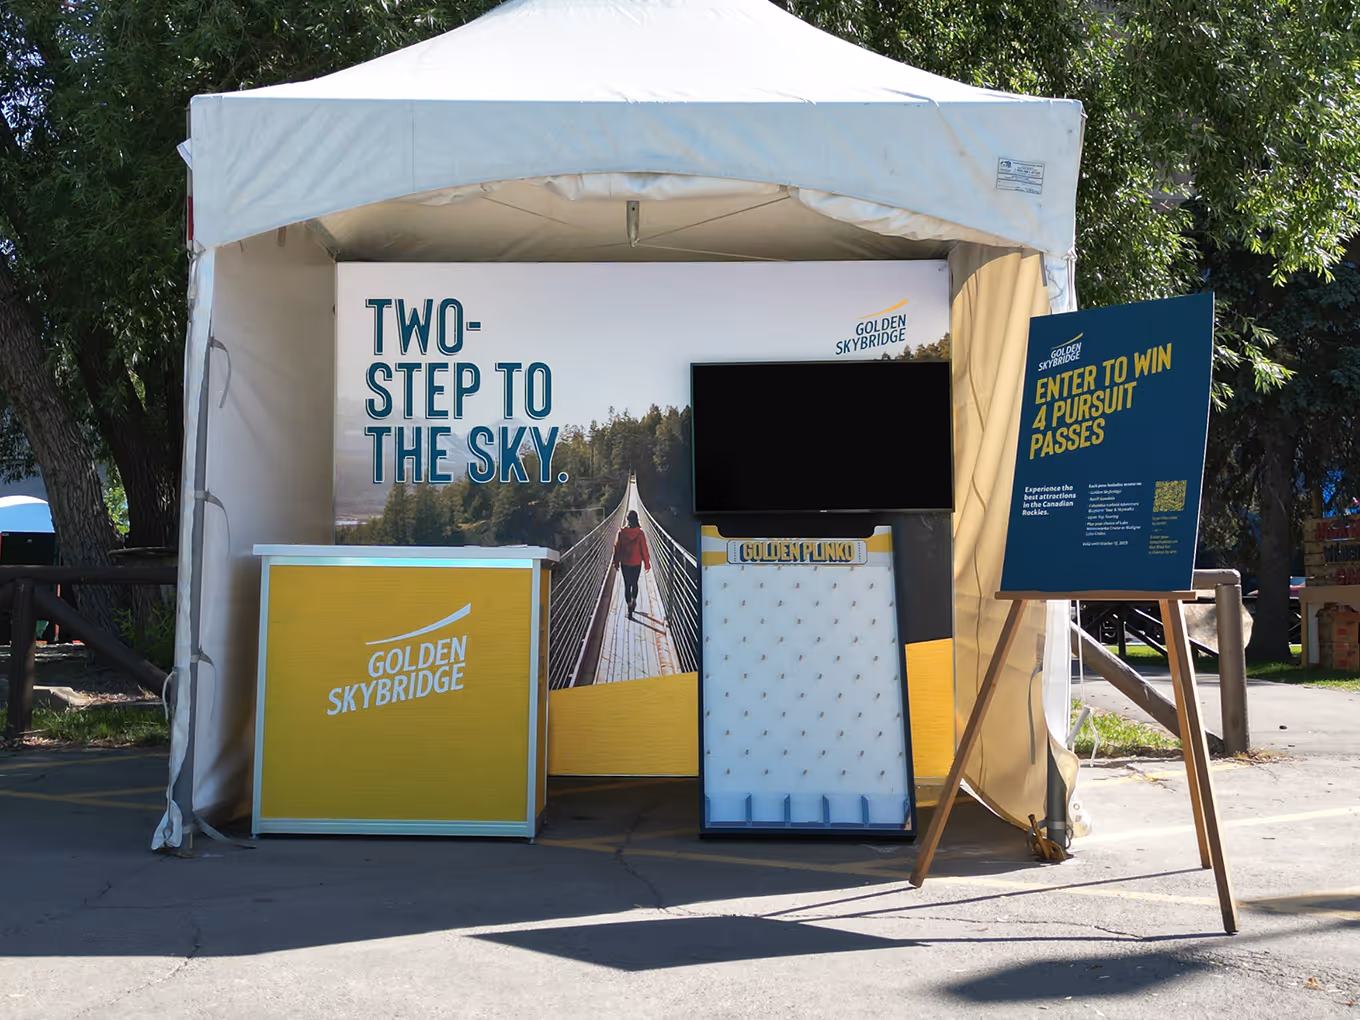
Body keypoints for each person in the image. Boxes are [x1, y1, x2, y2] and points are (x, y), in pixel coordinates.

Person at [613, 509, 651, 619]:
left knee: (627, 585)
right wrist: (647, 563)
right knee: (635, 583)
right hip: (636, 563)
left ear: (627, 519)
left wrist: (616, 562)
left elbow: (617, 548)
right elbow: (644, 549)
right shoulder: (640, 533)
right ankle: (634, 601)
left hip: (625, 563)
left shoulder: (621, 533)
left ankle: (629, 609)